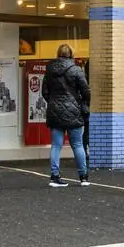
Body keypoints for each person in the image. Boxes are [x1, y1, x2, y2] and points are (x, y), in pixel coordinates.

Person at [41, 44, 91, 188]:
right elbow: (86, 91)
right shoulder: (76, 69)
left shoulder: (49, 70)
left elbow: (45, 92)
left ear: (58, 53)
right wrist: (83, 103)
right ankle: (83, 177)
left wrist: (53, 102)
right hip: (74, 111)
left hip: (55, 111)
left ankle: (55, 177)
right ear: (71, 54)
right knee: (77, 144)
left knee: (56, 145)